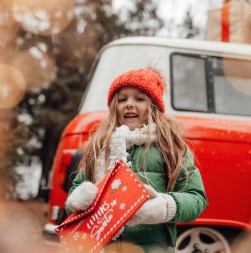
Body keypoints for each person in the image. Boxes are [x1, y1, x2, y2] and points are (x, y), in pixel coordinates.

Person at [65, 68, 208, 252]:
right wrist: (78, 199)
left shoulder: (170, 147)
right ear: (114, 107)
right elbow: (74, 196)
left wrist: (163, 206)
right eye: (122, 99)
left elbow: (197, 199)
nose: (129, 104)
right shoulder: (100, 147)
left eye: (139, 99)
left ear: (154, 107)